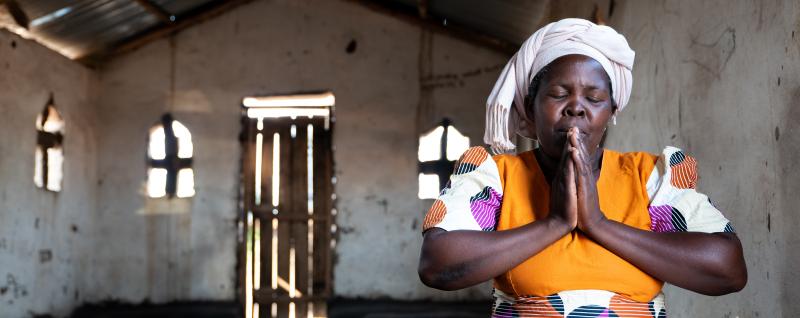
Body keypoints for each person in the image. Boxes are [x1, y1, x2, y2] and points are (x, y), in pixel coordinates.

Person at [417, 18, 746, 317]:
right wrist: (555, 223)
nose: (576, 108)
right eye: (559, 94)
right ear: (530, 109)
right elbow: (437, 264)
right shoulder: (497, 176)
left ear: (612, 111)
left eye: (594, 98)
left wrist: (598, 224)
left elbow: (728, 269)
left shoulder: (649, 177)